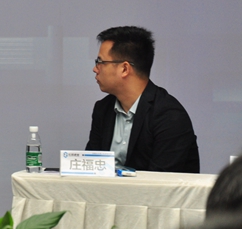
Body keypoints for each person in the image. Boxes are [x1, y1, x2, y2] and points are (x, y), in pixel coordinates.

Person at [85, 26, 199, 173]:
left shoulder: (169, 115)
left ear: (125, 69)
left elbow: (162, 180)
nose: (95, 69)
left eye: (100, 62)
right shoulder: (103, 109)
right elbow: (91, 168)